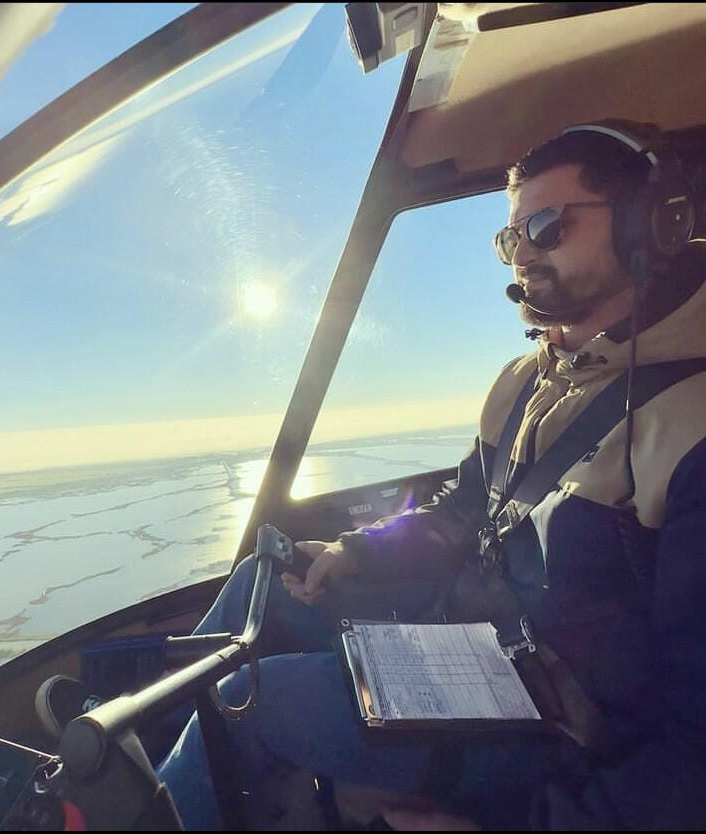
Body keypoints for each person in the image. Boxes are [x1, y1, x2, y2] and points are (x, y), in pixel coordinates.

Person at [42, 121, 706, 830]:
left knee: (252, 696)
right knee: (257, 586)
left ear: (651, 225)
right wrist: (357, 552)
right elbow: (461, 512)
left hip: (558, 731)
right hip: (469, 644)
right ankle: (120, 743)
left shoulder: (689, 430)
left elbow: (693, 755)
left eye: (546, 227)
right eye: (512, 239)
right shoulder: (527, 381)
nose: (523, 257)